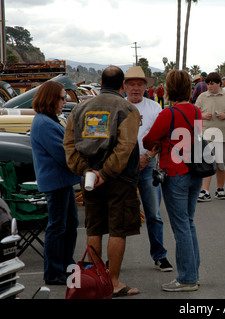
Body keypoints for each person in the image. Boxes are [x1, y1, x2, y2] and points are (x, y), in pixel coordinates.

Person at [63, 66, 141, 297]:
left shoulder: (79, 108)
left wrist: (88, 170)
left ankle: (96, 280)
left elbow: (69, 144)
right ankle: (114, 282)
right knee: (118, 230)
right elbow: (125, 146)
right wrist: (105, 174)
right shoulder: (127, 108)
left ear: (101, 82)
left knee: (94, 228)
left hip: (89, 179)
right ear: (121, 85)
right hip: (120, 178)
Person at [143, 69, 202, 292]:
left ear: (168, 89)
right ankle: (193, 272)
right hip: (194, 171)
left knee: (180, 228)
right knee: (189, 222)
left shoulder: (169, 114)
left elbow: (149, 140)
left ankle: (187, 278)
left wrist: (160, 144)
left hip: (175, 173)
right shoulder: (195, 110)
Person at [30, 81, 81, 286]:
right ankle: (53, 272)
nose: (64, 100)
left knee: (69, 225)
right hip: (56, 182)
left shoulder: (50, 120)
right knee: (58, 227)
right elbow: (64, 154)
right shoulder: (44, 123)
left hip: (62, 181)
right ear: (51, 99)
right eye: (61, 97)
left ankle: (66, 266)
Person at [124, 66, 173, 272]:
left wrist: (148, 157)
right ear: (124, 86)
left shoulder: (155, 108)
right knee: (121, 215)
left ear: (146, 87)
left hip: (148, 164)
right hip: (122, 167)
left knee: (153, 214)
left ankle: (159, 255)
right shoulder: (119, 106)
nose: (136, 88)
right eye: (132, 84)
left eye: (140, 84)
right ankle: (115, 259)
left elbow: (162, 138)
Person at [195, 72, 225, 202]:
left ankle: (220, 189)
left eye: (212, 84)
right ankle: (205, 191)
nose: (209, 86)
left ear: (219, 83)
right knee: (207, 163)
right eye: (207, 84)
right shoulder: (202, 96)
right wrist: (202, 115)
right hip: (207, 134)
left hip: (224, 135)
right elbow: (194, 112)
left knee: (221, 165)